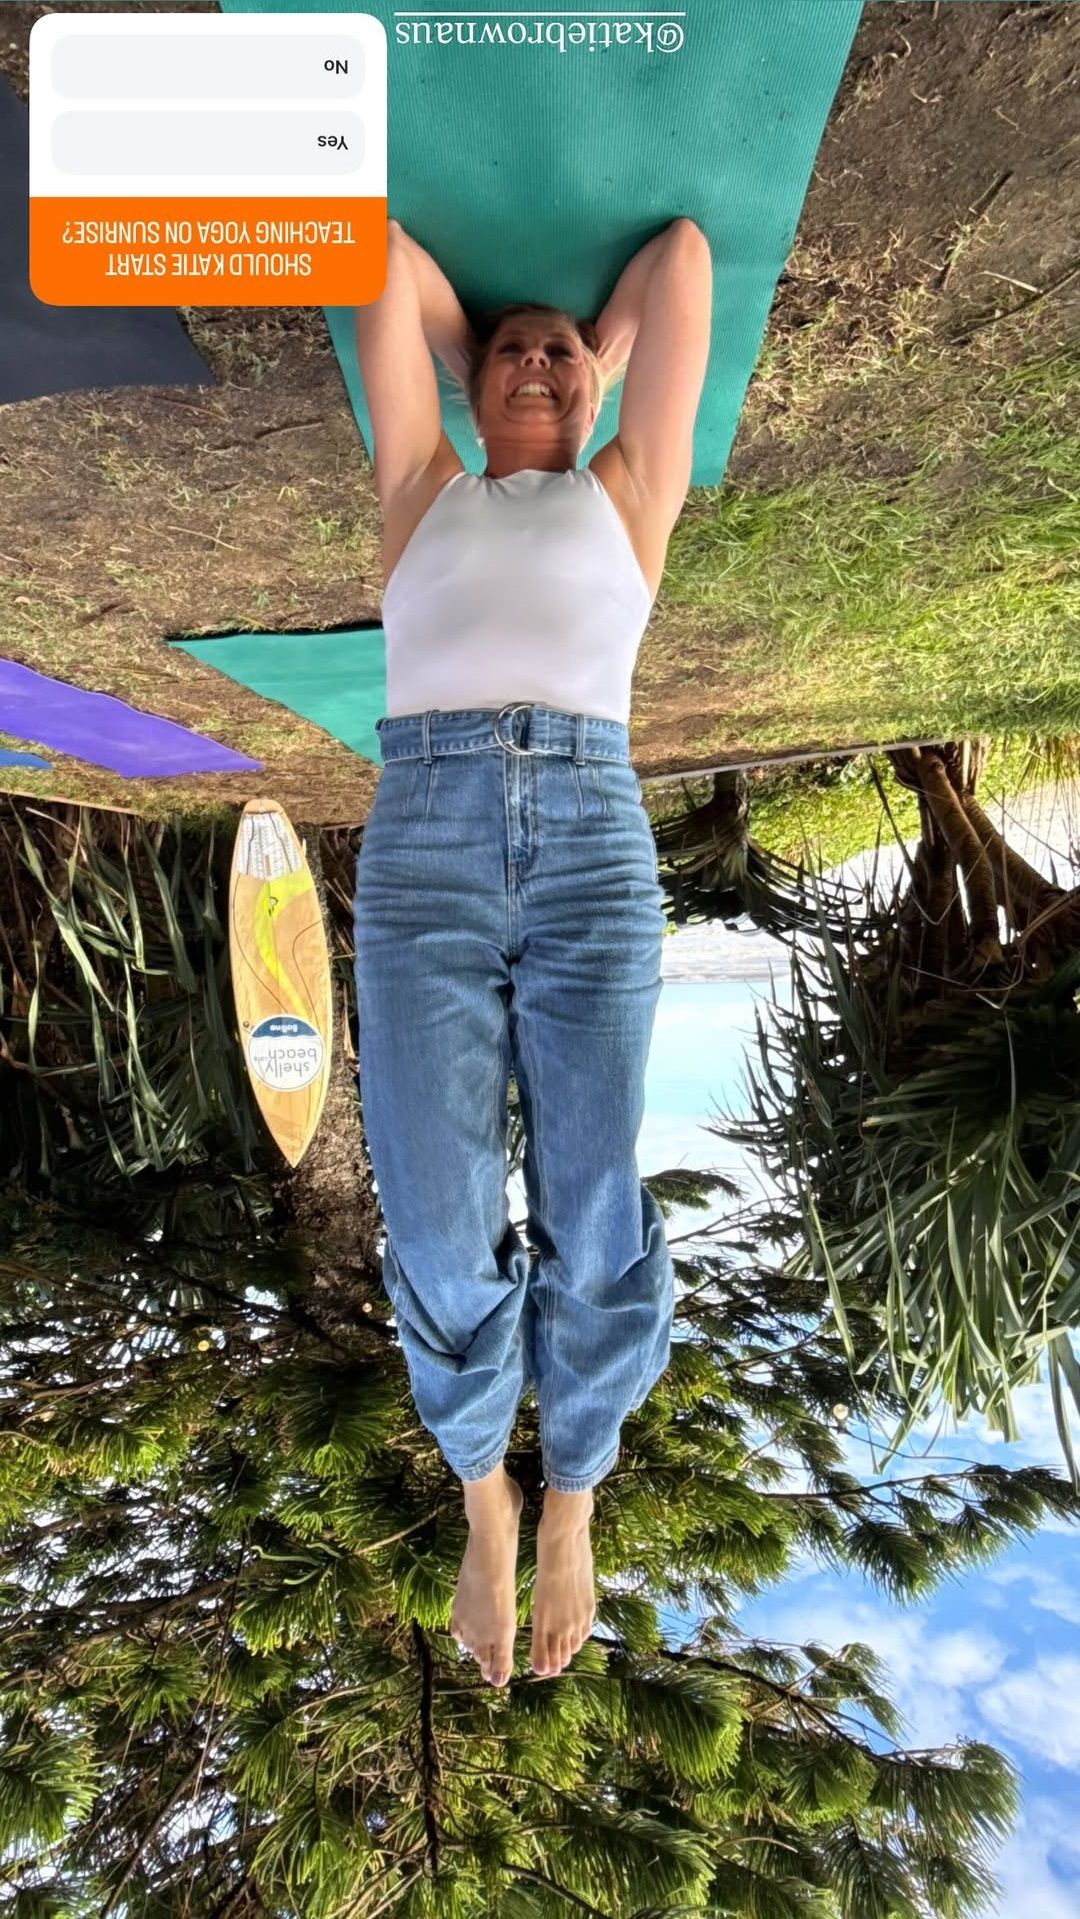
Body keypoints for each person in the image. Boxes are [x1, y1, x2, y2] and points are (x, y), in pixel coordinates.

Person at [352, 216, 712, 1691]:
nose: (542, 365)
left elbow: (682, 262)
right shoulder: (419, 485)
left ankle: (544, 1489)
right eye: (517, 354)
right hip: (453, 831)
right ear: (472, 390)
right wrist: (500, 356)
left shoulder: (629, 492)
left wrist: (577, 365)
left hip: (564, 824)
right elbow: (378, 259)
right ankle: (525, 1481)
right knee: (484, 1208)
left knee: (537, 1200)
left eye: (558, 356)